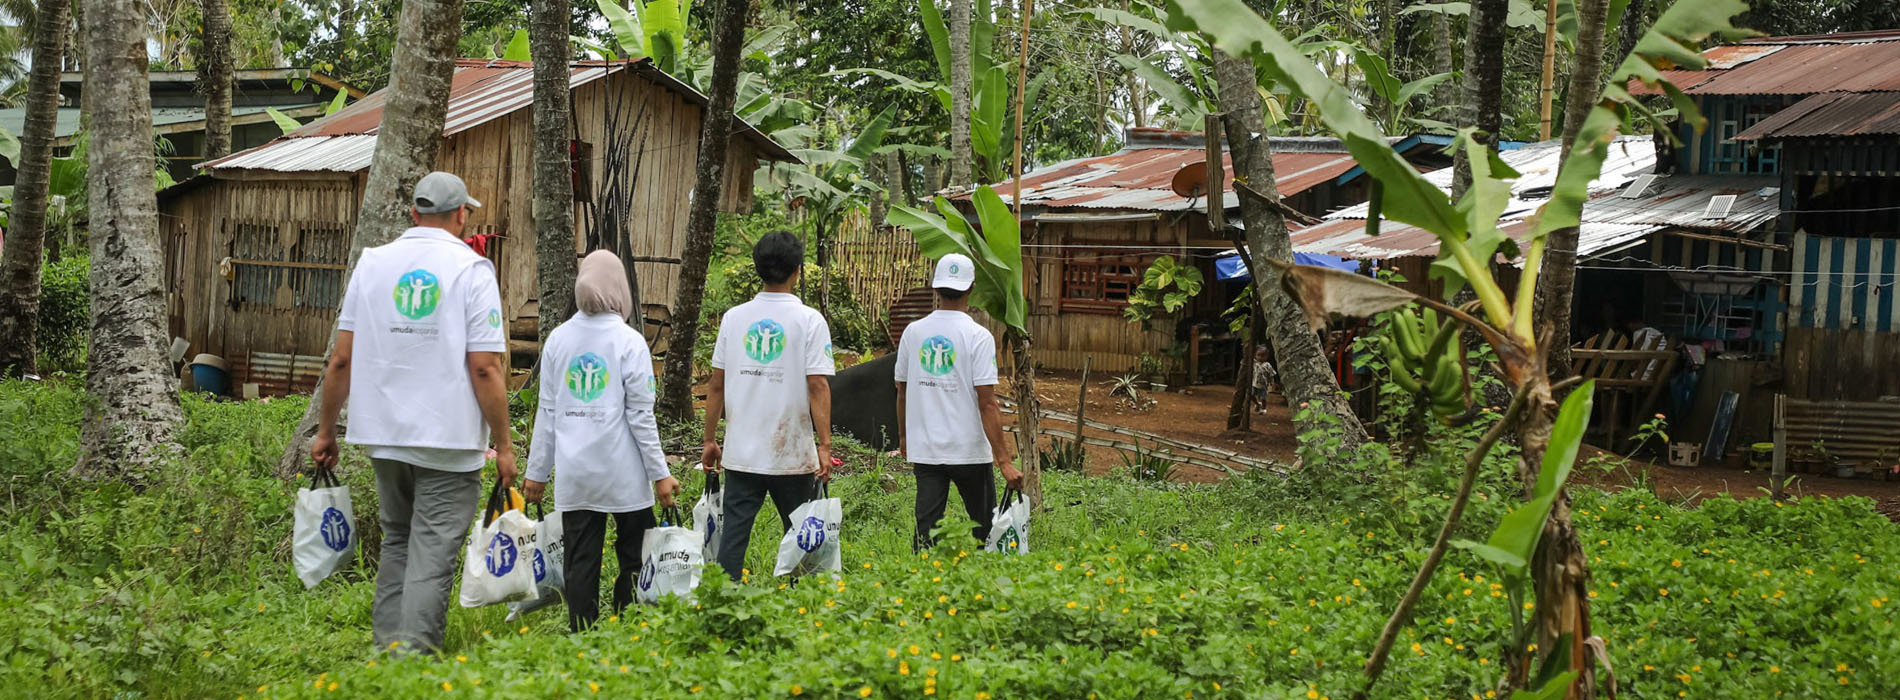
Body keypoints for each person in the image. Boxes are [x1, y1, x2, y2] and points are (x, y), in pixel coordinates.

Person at [310, 171, 514, 655]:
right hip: (448, 440)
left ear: (413, 212)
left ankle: (388, 652)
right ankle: (413, 662)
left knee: (399, 541)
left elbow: (341, 358)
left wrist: (325, 431)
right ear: (463, 214)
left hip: (384, 435)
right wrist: (504, 445)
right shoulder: (471, 269)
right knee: (433, 553)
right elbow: (485, 368)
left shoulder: (374, 264)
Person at [523, 250, 682, 632]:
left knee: (580, 559)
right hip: (623, 473)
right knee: (634, 554)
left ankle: (583, 635)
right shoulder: (630, 342)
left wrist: (537, 474)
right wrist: (660, 474)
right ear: (620, 288)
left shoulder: (559, 340)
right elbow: (641, 416)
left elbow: (547, 412)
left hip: (577, 474)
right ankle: (627, 625)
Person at [701, 232, 834, 581]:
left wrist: (709, 440)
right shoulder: (810, 320)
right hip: (792, 453)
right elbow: (818, 385)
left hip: (742, 453)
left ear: (757, 268)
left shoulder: (733, 318)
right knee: (802, 534)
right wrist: (824, 445)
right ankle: (805, 603)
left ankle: (723, 600)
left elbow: (716, 384)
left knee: (734, 538)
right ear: (797, 271)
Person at [894, 254, 1022, 552]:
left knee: (926, 532)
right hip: (969, 452)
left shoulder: (914, 332)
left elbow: (901, 389)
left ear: (935, 288)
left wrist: (904, 437)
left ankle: (921, 584)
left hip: (926, 450)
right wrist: (1003, 460)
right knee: (986, 530)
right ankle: (986, 583)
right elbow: (987, 403)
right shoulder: (978, 336)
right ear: (972, 288)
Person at [1250, 345, 1276, 414]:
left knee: (1263, 398)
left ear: (1267, 356)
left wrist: (1272, 383)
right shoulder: (1254, 363)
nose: (1261, 357)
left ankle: (1263, 409)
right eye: (1259, 355)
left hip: (1263, 385)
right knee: (1251, 394)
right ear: (1255, 355)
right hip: (1254, 383)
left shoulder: (1267, 365)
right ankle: (1257, 404)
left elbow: (1271, 375)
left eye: (1263, 356)